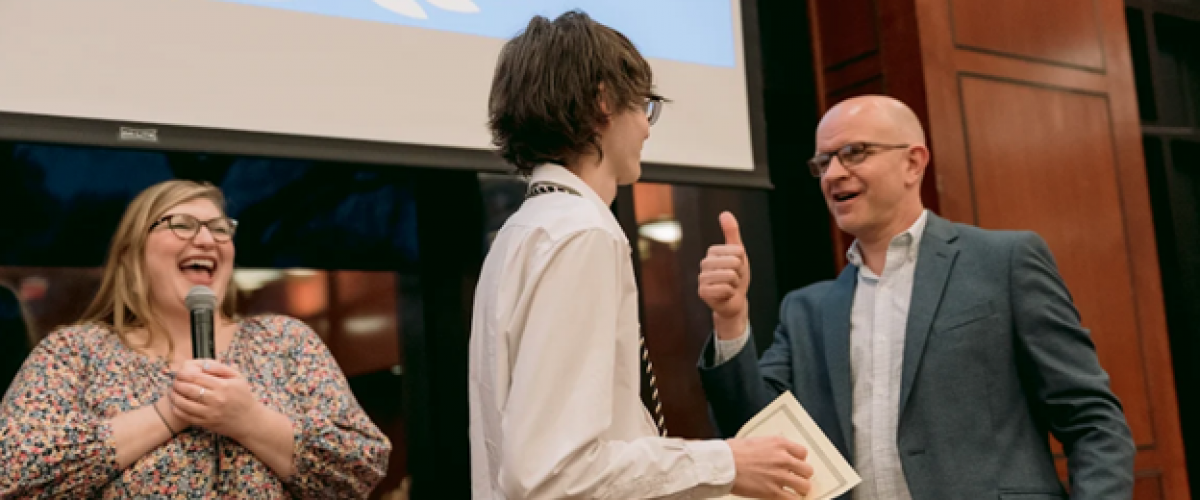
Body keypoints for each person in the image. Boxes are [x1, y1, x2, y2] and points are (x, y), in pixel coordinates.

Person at [696, 95, 1136, 499]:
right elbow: (751, 435)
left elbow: (1093, 422)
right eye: (823, 162)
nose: (834, 174)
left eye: (854, 153)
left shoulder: (1004, 263)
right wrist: (731, 321)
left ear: (913, 163)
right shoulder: (806, 310)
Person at [469, 10, 814, 500]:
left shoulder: (519, 232)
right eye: (645, 107)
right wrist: (725, 463)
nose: (647, 130)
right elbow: (551, 470)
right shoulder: (582, 231)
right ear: (604, 101)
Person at [0, 180, 391, 498]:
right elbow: (14, 472)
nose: (207, 240)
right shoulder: (74, 352)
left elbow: (360, 468)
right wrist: (168, 413)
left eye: (220, 228)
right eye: (183, 225)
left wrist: (249, 420)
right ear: (132, 255)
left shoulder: (286, 342)